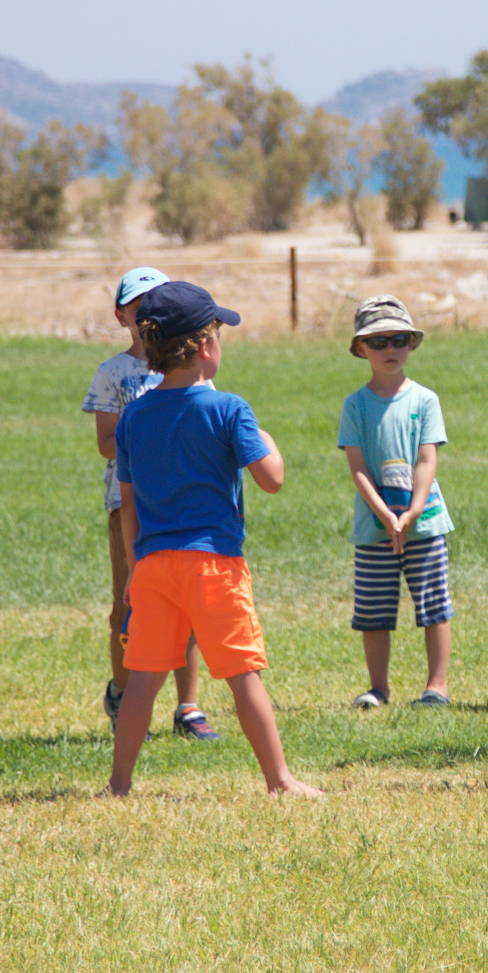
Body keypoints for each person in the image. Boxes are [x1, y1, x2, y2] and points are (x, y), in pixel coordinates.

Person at [105, 281, 320, 797]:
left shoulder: (133, 415)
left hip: (153, 565)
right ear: (205, 346)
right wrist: (264, 436)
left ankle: (118, 785)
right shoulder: (230, 409)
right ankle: (280, 779)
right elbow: (272, 478)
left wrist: (134, 571)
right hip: (214, 565)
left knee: (142, 680)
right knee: (242, 672)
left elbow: (128, 505)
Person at [83, 267, 217, 740]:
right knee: (133, 602)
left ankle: (189, 706)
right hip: (131, 502)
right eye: (138, 308)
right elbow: (105, 443)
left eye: (156, 305)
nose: (147, 316)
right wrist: (147, 432)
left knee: (191, 605)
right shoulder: (113, 373)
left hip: (185, 500)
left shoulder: (193, 368)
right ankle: (124, 693)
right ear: (122, 317)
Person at [339, 295, 456, 709]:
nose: (390, 349)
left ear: (411, 344)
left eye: (399, 339)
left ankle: (436, 686)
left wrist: (412, 511)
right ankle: (379, 688)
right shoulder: (354, 405)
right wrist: (385, 514)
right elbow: (357, 468)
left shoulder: (425, 400)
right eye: (378, 341)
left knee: (433, 605)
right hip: (374, 526)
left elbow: (428, 458)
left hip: (424, 523)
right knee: (373, 609)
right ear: (360, 349)